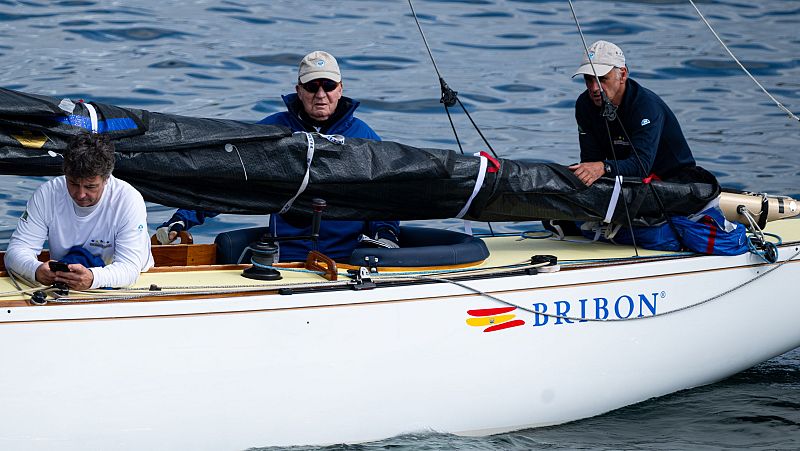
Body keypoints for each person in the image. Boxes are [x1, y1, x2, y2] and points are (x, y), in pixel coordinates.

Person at [157, 50, 399, 262]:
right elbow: (228, 178)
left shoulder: (364, 137)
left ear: (341, 88)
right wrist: (182, 219)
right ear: (299, 90)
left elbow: (386, 192)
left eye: (329, 86)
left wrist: (386, 233)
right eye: (312, 87)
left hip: (347, 258)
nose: (321, 94)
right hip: (287, 256)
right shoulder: (273, 131)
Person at [4, 133, 154, 290]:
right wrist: (34, 270)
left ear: (106, 178)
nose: (80, 194)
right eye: (73, 183)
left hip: (129, 282)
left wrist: (93, 278)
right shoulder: (47, 193)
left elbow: (129, 269)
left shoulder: (128, 200)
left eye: (90, 186)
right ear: (65, 174)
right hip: (65, 283)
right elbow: (15, 252)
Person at [568, 40, 696, 187]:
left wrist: (604, 167)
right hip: (628, 181)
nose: (594, 87)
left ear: (622, 75)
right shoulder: (585, 104)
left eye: (601, 79)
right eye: (588, 79)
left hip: (677, 182)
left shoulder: (646, 107)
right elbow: (591, 161)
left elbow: (641, 166)